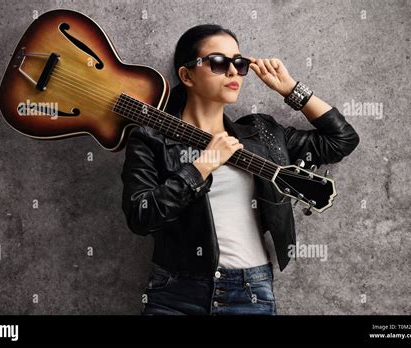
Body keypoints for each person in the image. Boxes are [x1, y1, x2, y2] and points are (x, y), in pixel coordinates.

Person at [121, 24, 359, 315]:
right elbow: (140, 216)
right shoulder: (150, 138)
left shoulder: (261, 133)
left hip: (250, 292)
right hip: (175, 292)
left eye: (240, 63)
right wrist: (201, 167)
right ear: (187, 75)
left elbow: (341, 141)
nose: (233, 71)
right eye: (219, 62)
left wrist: (291, 89)